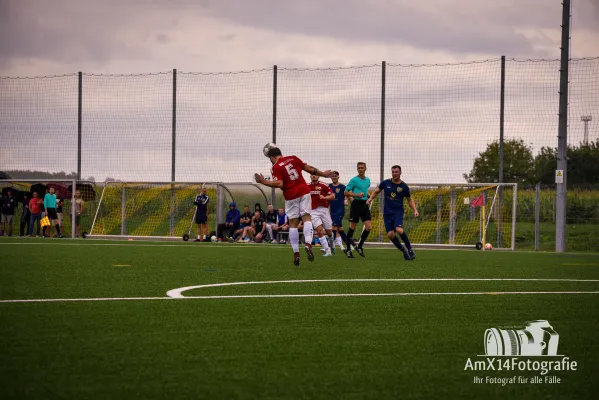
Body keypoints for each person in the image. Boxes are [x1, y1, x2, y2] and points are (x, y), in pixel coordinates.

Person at [255, 143, 334, 266]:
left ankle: (296, 253)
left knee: (293, 223)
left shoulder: (275, 167)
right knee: (307, 217)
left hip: (291, 195)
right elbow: (309, 168)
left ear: (271, 157)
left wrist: (264, 181)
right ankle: (308, 243)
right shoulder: (293, 158)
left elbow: (280, 183)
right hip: (304, 191)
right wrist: (323, 174)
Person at [367, 165, 419, 260]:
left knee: (399, 229)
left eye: (396, 172)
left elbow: (409, 200)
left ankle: (410, 250)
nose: (394, 174)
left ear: (400, 173)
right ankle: (404, 251)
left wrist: (415, 210)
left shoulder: (404, 187)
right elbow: (375, 191)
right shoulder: (385, 183)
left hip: (398, 212)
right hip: (387, 213)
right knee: (390, 235)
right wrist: (370, 199)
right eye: (393, 172)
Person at [344, 162, 372, 258]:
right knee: (352, 227)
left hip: (364, 205)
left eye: (362, 168)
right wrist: (356, 195)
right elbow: (346, 192)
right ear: (357, 169)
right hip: (356, 204)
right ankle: (348, 249)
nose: (360, 169)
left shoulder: (368, 180)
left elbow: (365, 190)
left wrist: (369, 196)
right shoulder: (354, 180)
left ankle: (359, 246)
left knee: (368, 227)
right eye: (359, 168)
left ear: (365, 169)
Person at [308, 174, 335, 256]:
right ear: (310, 176)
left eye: (315, 175)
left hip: (324, 210)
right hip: (313, 211)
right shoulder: (306, 186)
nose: (314, 176)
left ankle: (332, 245)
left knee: (329, 232)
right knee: (319, 231)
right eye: (312, 175)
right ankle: (328, 251)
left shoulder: (324, 185)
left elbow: (333, 196)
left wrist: (325, 198)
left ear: (318, 176)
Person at [328, 171, 348, 253]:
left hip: (340, 211)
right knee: (340, 229)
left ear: (338, 177)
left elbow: (346, 196)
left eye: (335, 176)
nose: (334, 177)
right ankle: (350, 244)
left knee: (333, 228)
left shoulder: (343, 187)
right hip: (332, 211)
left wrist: (346, 200)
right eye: (332, 176)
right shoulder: (328, 186)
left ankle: (330, 247)